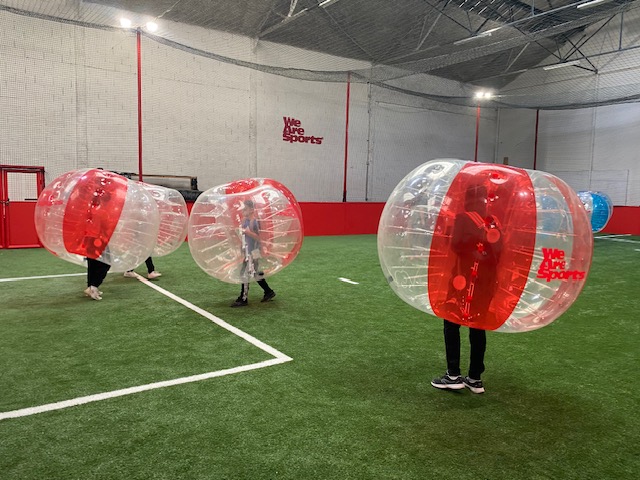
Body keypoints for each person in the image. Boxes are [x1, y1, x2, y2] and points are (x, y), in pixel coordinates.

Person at [431, 183, 503, 394]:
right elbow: (500, 251)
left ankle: (453, 374)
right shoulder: (494, 222)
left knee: (451, 322)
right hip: (486, 284)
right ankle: (475, 377)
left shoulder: (464, 218)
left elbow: (457, 246)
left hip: (464, 281)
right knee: (478, 326)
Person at [231, 199, 276, 307]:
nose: (243, 211)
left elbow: (259, 238)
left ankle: (243, 298)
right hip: (247, 251)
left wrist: (247, 232)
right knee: (255, 273)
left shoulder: (254, 222)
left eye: (245, 209)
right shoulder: (245, 220)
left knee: (244, 273)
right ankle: (269, 292)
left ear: (251, 210)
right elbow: (243, 236)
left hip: (252, 252)